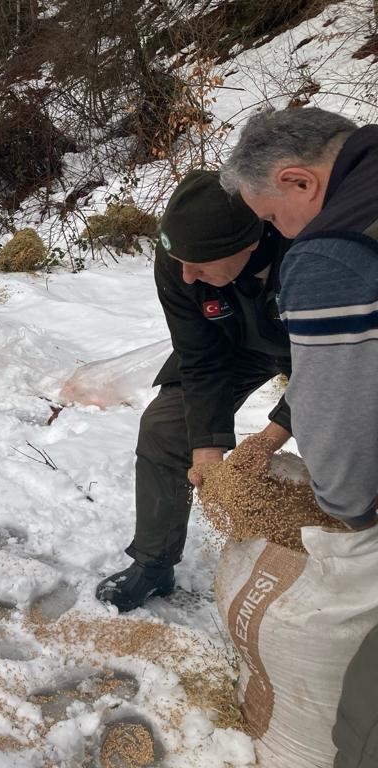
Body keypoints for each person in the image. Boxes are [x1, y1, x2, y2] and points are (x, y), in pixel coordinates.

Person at [220, 106, 378, 768]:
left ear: (300, 183)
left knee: (358, 721)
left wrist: (343, 512)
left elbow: (343, 425)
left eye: (272, 217)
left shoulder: (331, 255)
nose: (277, 234)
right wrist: (277, 427)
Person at [95, 169, 293, 612]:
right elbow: (199, 357)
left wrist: (271, 437)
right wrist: (206, 449)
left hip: (321, 348)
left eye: (199, 264)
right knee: (168, 426)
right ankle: (154, 563)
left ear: (248, 244)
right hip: (232, 343)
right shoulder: (180, 260)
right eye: (178, 261)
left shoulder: (306, 253)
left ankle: (333, 572)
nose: (186, 276)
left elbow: (335, 370)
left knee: (338, 443)